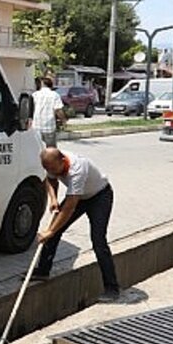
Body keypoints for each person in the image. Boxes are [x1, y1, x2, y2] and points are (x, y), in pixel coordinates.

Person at [31, 147, 121, 303]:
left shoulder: (77, 169)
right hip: (79, 196)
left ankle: (112, 288)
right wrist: (53, 199)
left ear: (63, 161)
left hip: (100, 197)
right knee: (55, 230)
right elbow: (50, 179)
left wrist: (50, 231)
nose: (52, 171)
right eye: (48, 168)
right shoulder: (53, 162)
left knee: (98, 241)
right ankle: (43, 271)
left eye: (53, 168)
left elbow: (70, 205)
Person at [30, 77, 67, 147]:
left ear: (42, 84)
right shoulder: (55, 95)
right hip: (49, 127)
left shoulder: (34, 95)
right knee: (50, 150)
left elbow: (31, 110)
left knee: (38, 149)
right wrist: (63, 120)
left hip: (36, 127)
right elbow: (58, 110)